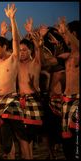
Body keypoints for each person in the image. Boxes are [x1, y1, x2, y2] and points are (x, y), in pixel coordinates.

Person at [0, 3, 31, 159]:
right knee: (5, 138)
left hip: (12, 100)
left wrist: (12, 19)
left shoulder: (13, 58)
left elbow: (15, 39)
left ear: (4, 47)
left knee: (21, 136)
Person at [18, 18, 44, 158]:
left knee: (27, 137)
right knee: (23, 137)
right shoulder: (17, 64)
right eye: (20, 50)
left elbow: (38, 48)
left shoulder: (36, 63)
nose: (21, 52)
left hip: (33, 101)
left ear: (30, 51)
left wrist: (31, 33)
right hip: (20, 102)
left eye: (24, 50)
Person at [57, 17, 80, 160]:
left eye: (68, 33)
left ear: (75, 34)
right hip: (66, 100)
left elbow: (77, 47)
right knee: (67, 140)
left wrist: (66, 31)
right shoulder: (67, 56)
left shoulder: (78, 54)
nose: (65, 36)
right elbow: (48, 62)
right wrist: (38, 45)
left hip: (77, 99)